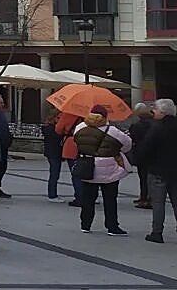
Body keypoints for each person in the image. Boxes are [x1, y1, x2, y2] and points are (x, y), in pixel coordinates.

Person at [73, 104, 132, 236]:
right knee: (110, 199)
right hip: (109, 168)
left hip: (88, 166)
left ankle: (85, 224)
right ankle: (112, 226)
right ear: (105, 117)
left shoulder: (80, 128)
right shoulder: (113, 131)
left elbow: (76, 142)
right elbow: (127, 145)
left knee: (88, 198)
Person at [137, 98, 177, 244]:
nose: (153, 112)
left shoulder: (157, 128)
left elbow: (146, 148)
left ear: (163, 112)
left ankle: (157, 232)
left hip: (158, 170)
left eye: (156, 110)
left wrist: (141, 160)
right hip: (175, 170)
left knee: (158, 203)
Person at [128, 103, 154, 209]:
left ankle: (145, 198)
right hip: (153, 155)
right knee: (149, 177)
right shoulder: (154, 124)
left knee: (143, 177)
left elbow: (132, 137)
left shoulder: (137, 126)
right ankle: (146, 197)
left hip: (141, 154)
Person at [57, 110, 84, 206]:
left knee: (76, 174)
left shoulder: (68, 114)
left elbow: (58, 129)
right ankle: (90, 196)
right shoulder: (89, 114)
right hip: (88, 145)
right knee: (87, 172)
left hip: (71, 144)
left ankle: (79, 197)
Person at [41, 108, 67, 202]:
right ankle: (52, 195)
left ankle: (53, 193)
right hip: (53, 153)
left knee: (55, 173)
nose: (60, 120)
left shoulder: (52, 127)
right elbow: (56, 138)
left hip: (55, 153)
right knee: (54, 174)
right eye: (59, 117)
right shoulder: (50, 128)